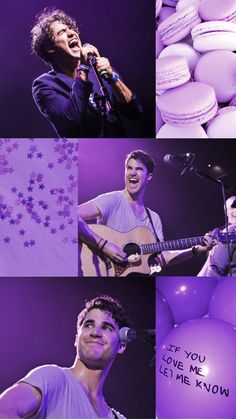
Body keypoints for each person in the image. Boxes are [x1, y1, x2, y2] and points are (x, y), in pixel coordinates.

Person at [78, 149, 215, 275]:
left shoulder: (154, 218)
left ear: (149, 177)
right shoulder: (113, 200)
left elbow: (164, 257)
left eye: (138, 169)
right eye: (129, 168)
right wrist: (103, 245)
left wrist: (195, 250)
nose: (132, 172)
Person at [0, 296, 131, 419]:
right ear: (76, 339)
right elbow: (3, 410)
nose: (95, 332)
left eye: (106, 327)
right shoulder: (53, 378)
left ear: (122, 346)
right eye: (88, 325)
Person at [31, 9, 142, 138]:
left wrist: (113, 78)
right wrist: (83, 68)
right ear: (49, 48)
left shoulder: (99, 68)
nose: (71, 33)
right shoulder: (44, 85)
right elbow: (70, 123)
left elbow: (135, 113)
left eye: (70, 29)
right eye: (61, 32)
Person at [198, 195, 236, 276]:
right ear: (225, 210)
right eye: (232, 208)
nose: (235, 211)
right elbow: (213, 269)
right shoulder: (219, 233)